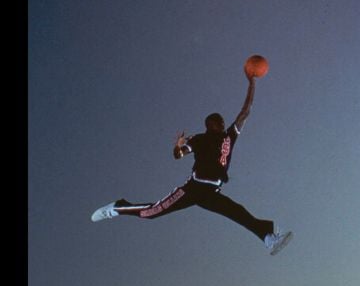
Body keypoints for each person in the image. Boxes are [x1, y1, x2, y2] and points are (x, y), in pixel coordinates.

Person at [91, 73, 293, 256]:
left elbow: (245, 111)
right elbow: (178, 155)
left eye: (222, 121)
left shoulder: (229, 137)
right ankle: (118, 207)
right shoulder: (199, 139)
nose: (222, 123)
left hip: (212, 192)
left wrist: (252, 83)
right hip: (192, 189)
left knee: (237, 212)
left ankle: (268, 237)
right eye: (218, 121)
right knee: (151, 212)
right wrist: (178, 146)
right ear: (209, 125)